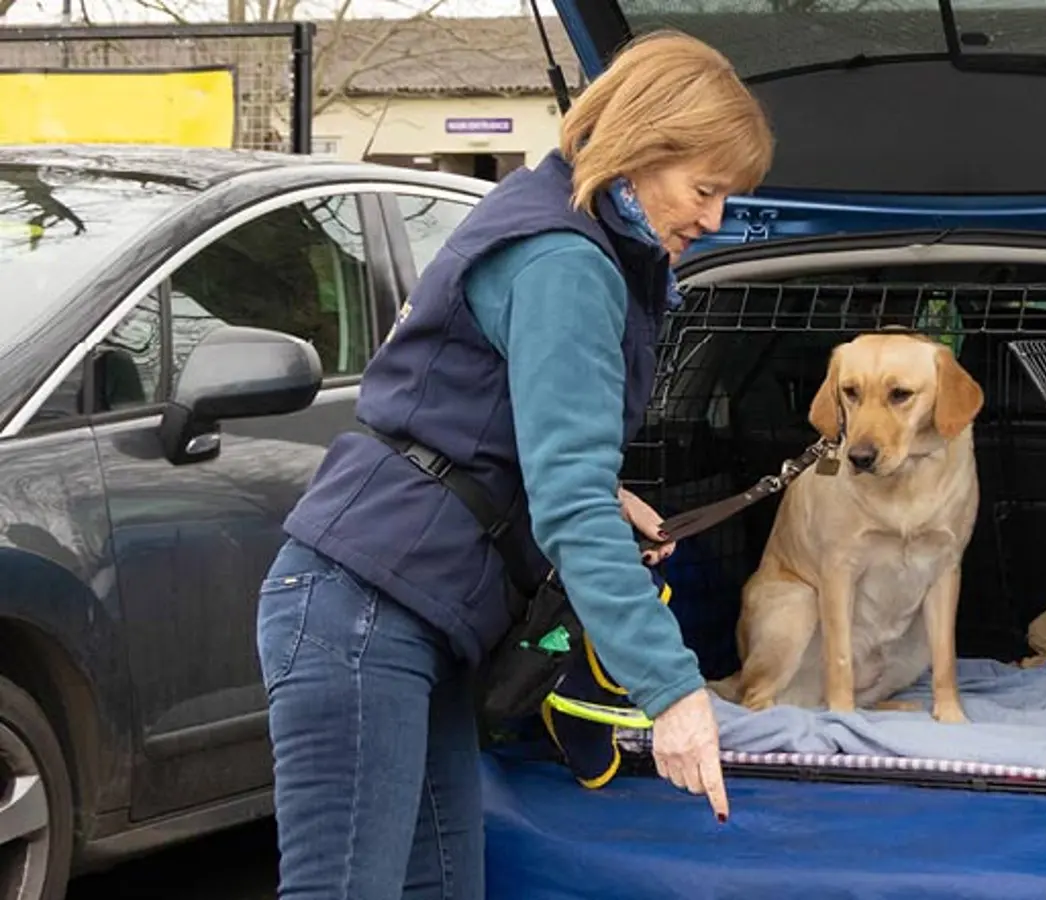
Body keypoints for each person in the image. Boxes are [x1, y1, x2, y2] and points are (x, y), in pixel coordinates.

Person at [252, 30, 774, 900]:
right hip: (361, 613)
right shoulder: (565, 262)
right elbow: (564, 506)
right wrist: (674, 692)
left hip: (412, 614)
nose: (715, 218)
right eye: (705, 188)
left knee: (445, 884)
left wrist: (606, 492)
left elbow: (489, 421)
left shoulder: (562, 232)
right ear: (641, 148)